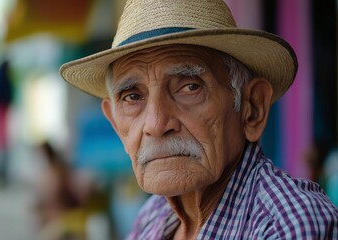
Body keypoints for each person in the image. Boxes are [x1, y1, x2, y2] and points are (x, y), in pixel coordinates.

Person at [60, 0, 338, 239]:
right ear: (115, 124)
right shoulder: (154, 216)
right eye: (132, 97)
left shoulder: (288, 225)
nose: (156, 124)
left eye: (190, 87)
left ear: (253, 108)